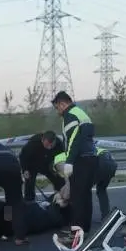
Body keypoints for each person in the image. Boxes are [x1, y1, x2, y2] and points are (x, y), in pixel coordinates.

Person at [50, 91, 98, 237]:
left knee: (77, 197)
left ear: (62, 104)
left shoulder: (70, 115)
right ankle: (85, 229)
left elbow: (74, 139)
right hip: (91, 158)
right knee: (85, 195)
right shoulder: (81, 113)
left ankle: (76, 232)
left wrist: (69, 161)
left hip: (81, 160)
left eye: (57, 107)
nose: (58, 111)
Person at [0, 192, 72, 238]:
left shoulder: (54, 215)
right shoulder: (49, 203)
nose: (60, 195)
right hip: (17, 214)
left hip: (15, 222)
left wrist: (58, 206)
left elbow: (54, 219)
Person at [54, 144, 117, 219]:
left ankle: (80, 219)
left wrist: (61, 196)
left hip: (99, 161)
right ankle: (106, 217)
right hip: (111, 162)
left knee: (82, 191)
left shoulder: (58, 160)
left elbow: (69, 183)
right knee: (101, 190)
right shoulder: (73, 152)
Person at [18, 130, 65, 201]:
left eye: (51, 145)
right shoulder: (33, 142)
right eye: (46, 145)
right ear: (42, 140)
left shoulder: (59, 144)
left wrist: (59, 170)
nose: (49, 148)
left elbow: (62, 158)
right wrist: (25, 170)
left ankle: (61, 198)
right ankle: (30, 202)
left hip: (48, 165)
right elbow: (23, 156)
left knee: (59, 180)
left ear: (55, 141)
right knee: (29, 183)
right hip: (33, 165)